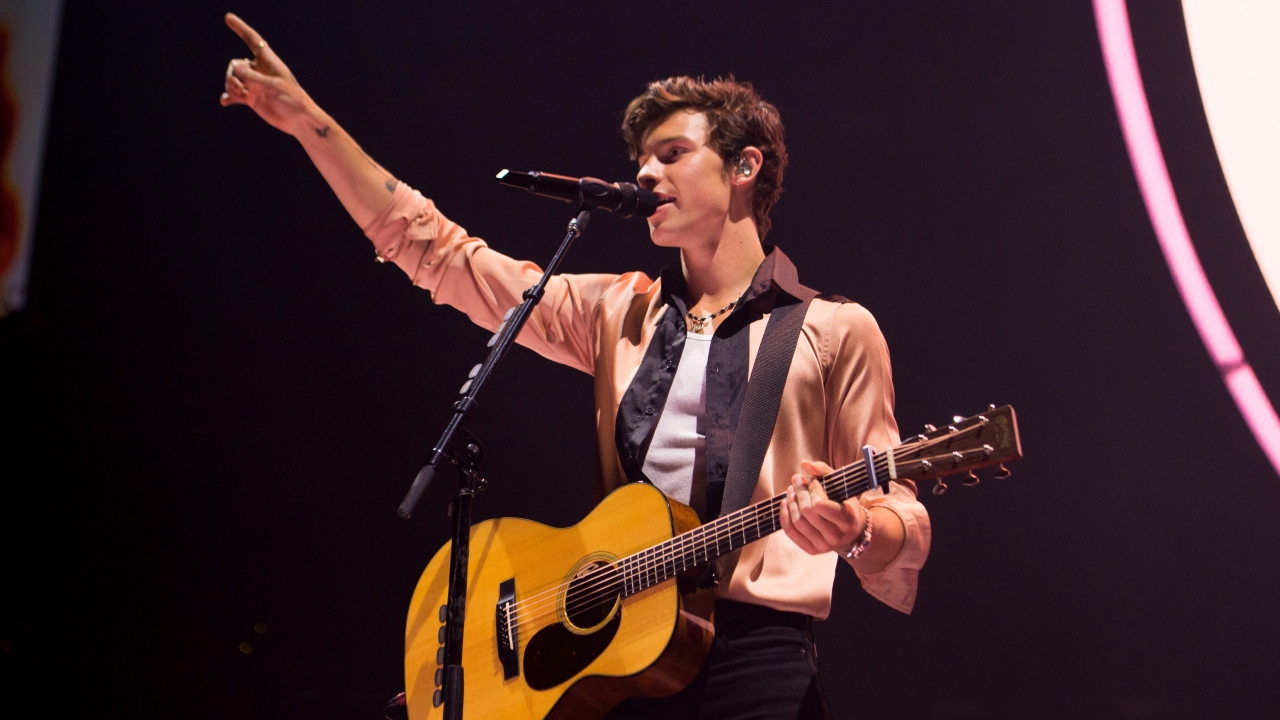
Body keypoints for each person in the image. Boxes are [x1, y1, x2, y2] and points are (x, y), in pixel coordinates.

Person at [220, 12, 929, 720]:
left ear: (744, 167)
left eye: (672, 154)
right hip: (626, 651)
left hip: (759, 662)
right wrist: (306, 120)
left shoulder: (835, 329)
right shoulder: (616, 313)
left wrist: (857, 529)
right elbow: (437, 252)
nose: (647, 173)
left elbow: (902, 510)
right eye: (641, 162)